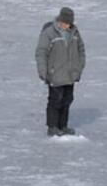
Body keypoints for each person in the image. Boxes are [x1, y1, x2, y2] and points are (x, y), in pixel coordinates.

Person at [35, 7, 86, 136]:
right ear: (60, 20)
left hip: (70, 74)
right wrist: (43, 71)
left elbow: (81, 50)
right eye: (66, 22)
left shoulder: (75, 33)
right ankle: (52, 127)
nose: (67, 25)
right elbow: (41, 52)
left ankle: (63, 126)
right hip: (55, 74)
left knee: (67, 100)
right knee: (55, 100)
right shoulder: (50, 33)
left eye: (70, 23)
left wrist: (79, 67)